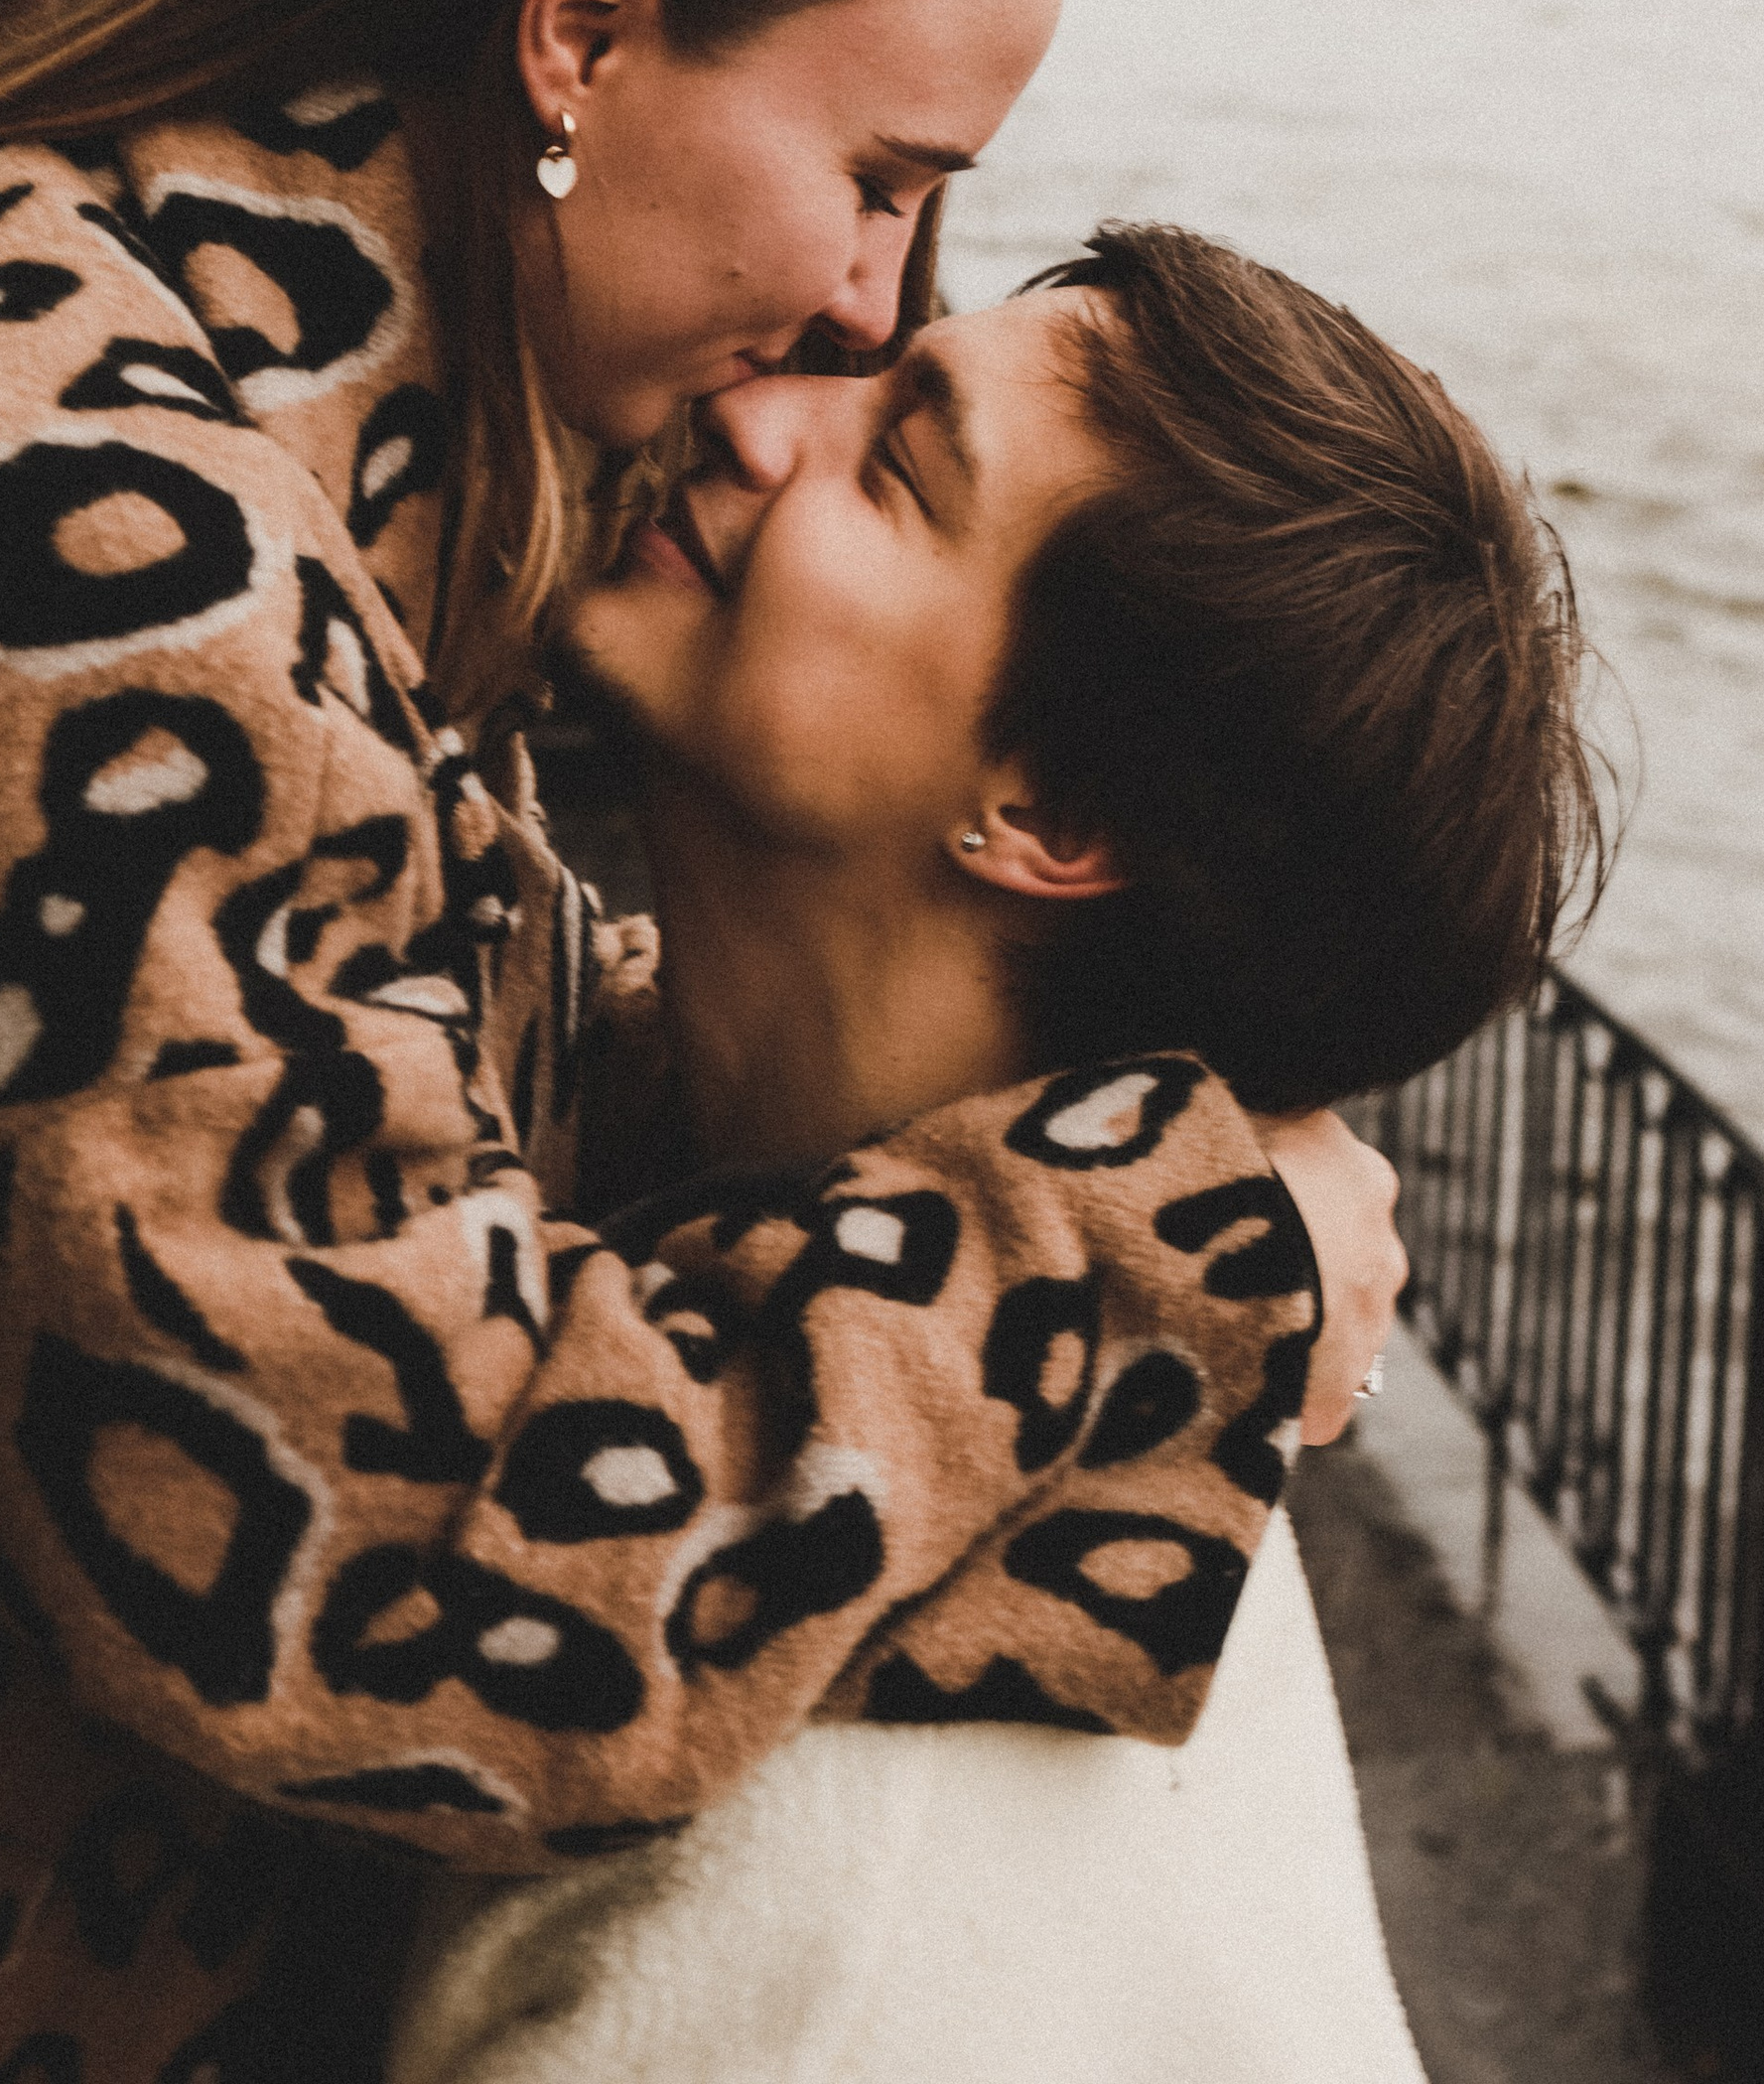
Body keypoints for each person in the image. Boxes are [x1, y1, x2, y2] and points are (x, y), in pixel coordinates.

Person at [0, 0, 1397, 2084]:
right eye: (882, 179)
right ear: (582, 38)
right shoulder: (88, 564)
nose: (886, 300)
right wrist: (1135, 1247)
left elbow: (376, 1113)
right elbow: (388, 1574)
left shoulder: (228, 414)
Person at [392, 220, 1608, 2084]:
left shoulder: (825, 1904)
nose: (755, 411)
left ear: (1042, 807)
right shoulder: (1025, 1391)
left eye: (894, 464)